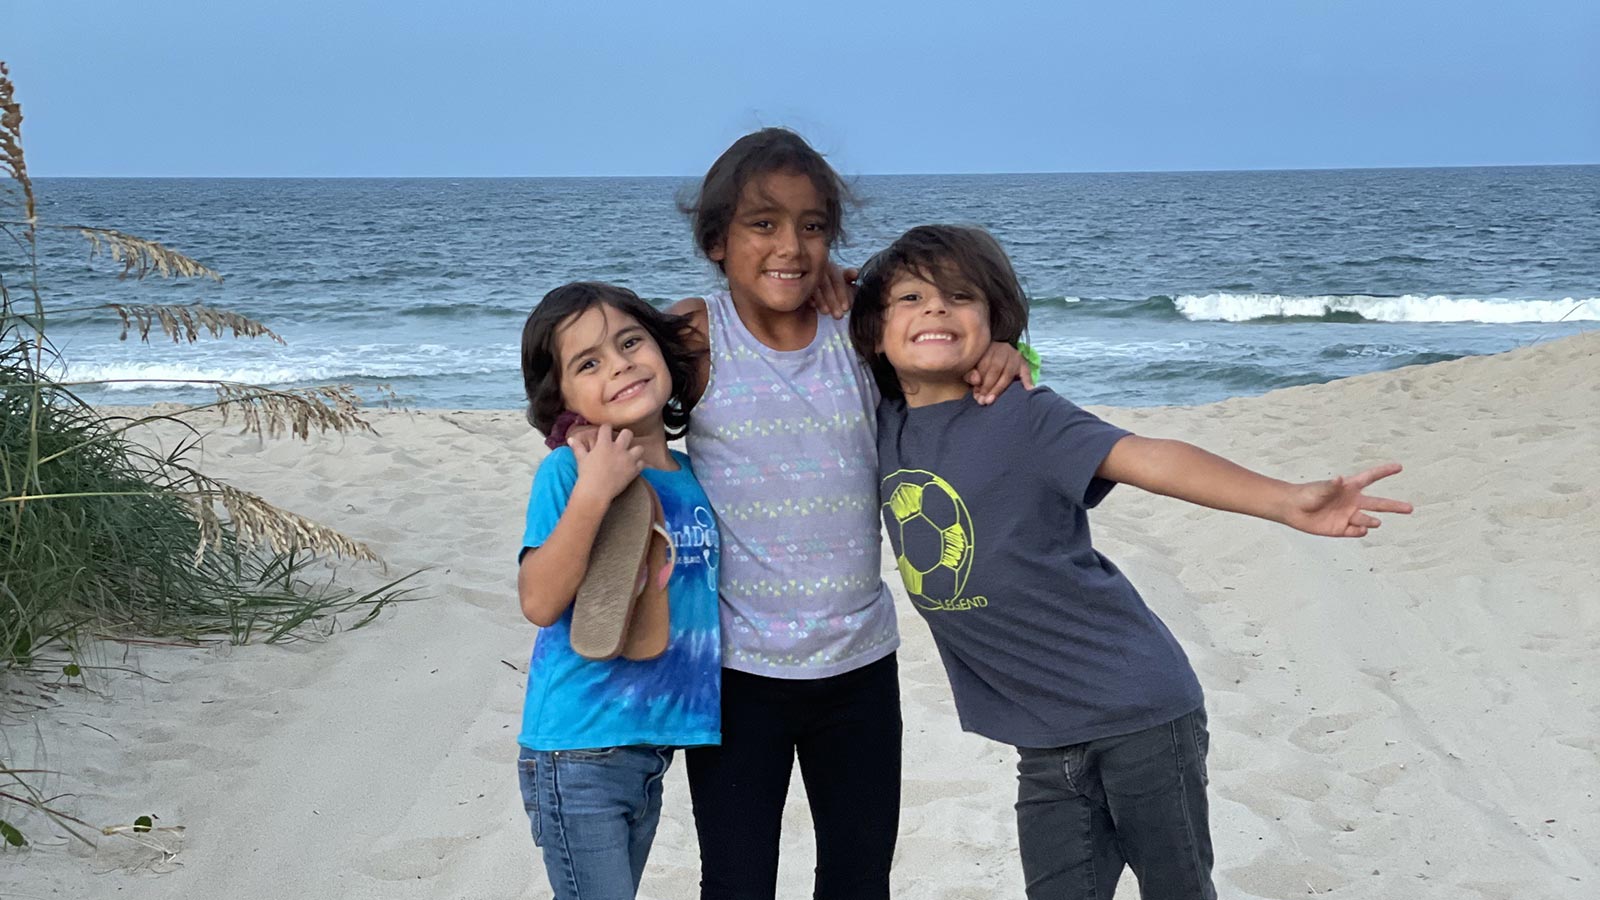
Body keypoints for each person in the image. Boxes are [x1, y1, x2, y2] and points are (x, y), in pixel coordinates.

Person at [847, 225, 1413, 900]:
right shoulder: (876, 421)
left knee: (1176, 888)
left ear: (994, 321)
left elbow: (1150, 458)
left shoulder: (1026, 416)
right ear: (873, 332)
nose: (936, 309)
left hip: (1138, 712)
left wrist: (1283, 500)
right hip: (1045, 737)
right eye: (911, 297)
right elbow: (807, 320)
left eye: (960, 296)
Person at [669, 129, 1029, 899]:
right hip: (738, 675)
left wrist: (1009, 353)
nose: (790, 246)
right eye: (762, 224)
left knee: (860, 879)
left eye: (812, 226)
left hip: (860, 667)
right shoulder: (696, 339)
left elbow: (947, 336)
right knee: (735, 882)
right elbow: (592, 383)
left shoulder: (858, 330)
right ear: (715, 241)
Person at [514, 281, 722, 900]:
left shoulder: (692, 474)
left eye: (632, 343)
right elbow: (538, 601)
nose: (621, 364)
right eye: (589, 363)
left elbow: (700, 314)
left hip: (650, 749)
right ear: (564, 399)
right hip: (579, 746)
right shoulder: (569, 471)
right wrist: (595, 490)